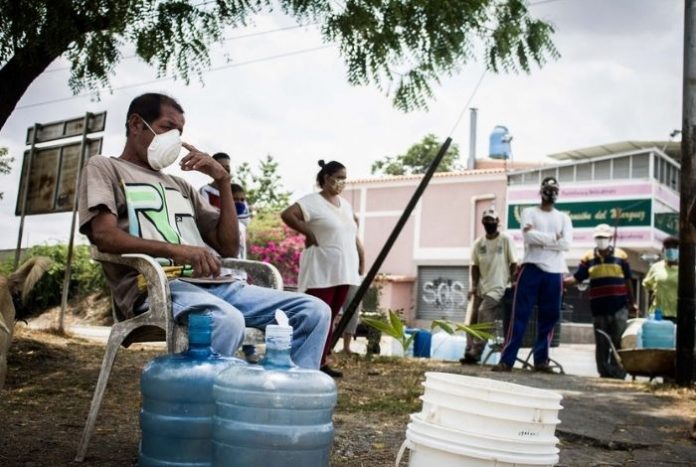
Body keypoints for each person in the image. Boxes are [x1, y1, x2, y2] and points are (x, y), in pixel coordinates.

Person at [78, 92, 330, 369]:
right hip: (157, 289)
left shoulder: (181, 186)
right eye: (166, 128)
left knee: (314, 311)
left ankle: (290, 401)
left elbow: (228, 247)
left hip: (216, 286)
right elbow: (104, 236)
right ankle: (193, 408)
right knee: (225, 320)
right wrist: (178, 251)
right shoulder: (105, 167)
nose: (175, 138)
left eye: (180, 132)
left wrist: (223, 181)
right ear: (136, 124)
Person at [281, 160, 365, 377]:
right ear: (326, 178)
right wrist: (308, 232)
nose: (341, 182)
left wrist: (361, 259)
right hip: (321, 268)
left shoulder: (345, 205)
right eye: (338, 177)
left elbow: (352, 234)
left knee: (333, 316)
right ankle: (303, 359)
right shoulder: (312, 201)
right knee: (317, 315)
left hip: (345, 268)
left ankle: (321, 360)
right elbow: (288, 214)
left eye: (345, 178)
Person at [493, 176, 573, 373]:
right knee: (519, 316)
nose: (551, 193)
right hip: (531, 269)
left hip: (555, 273)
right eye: (547, 189)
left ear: (558, 193)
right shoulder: (529, 212)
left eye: (555, 190)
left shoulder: (564, 218)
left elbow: (566, 244)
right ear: (541, 191)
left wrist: (541, 239)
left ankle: (541, 361)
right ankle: (507, 360)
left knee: (549, 318)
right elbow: (527, 236)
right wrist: (554, 238)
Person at [199, 169, 258, 363]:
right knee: (228, 316)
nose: (240, 203)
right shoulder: (214, 223)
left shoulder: (241, 225)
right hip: (219, 276)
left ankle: (249, 351)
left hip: (238, 274)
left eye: (243, 199)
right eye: (235, 200)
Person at [564, 223, 637, 379]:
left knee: (618, 341)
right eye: (598, 238)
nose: (601, 240)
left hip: (619, 307)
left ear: (610, 238)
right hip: (598, 308)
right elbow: (578, 277)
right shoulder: (588, 257)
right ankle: (604, 373)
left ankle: (618, 373)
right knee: (602, 343)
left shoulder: (621, 256)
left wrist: (633, 302)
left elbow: (628, 280)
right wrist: (561, 283)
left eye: (604, 237)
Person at [460, 208, 517, 365]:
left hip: (499, 286)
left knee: (484, 312)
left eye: (492, 220)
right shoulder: (479, 243)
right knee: (470, 319)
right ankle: (469, 350)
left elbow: (514, 263)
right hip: (481, 287)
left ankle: (477, 351)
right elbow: (475, 266)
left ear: (498, 222)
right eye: (486, 221)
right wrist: (473, 286)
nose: (489, 223)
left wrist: (512, 281)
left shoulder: (505, 240)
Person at [643, 236, 680, 322]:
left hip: (679, 315)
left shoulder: (688, 270)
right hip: (658, 315)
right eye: (668, 248)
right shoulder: (656, 267)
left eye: (674, 247)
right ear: (664, 250)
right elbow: (648, 285)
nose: (671, 250)